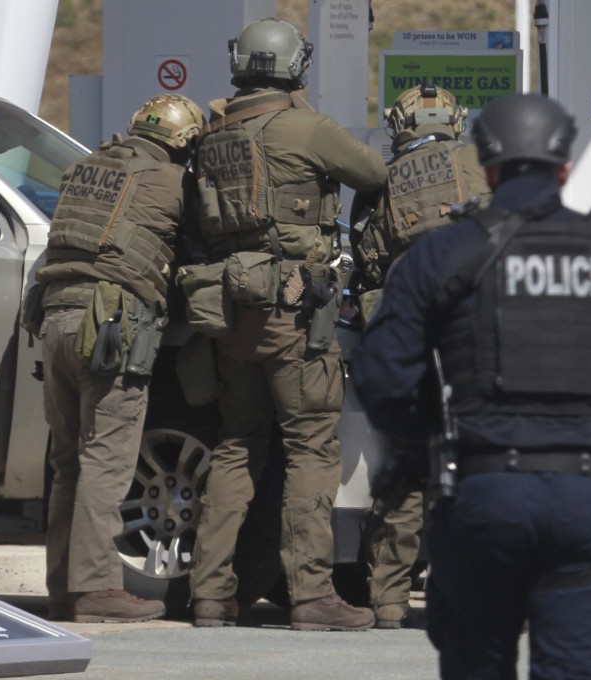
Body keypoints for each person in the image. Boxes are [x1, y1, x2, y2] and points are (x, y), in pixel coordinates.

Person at [351, 93, 591, 677]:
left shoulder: (444, 251)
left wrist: (432, 436)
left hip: (483, 496)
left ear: (486, 169)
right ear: (565, 167)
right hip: (589, 503)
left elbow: (382, 377)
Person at [187, 16, 387, 631]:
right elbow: (374, 175)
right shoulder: (305, 126)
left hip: (229, 310)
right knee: (310, 449)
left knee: (236, 446)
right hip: (295, 310)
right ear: (296, 66)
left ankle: (211, 596)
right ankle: (312, 596)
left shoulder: (213, 132)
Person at [34, 93, 205, 623]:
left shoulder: (83, 169)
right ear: (183, 143)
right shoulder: (174, 182)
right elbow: (198, 249)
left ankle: (64, 585)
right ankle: (98, 590)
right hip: (110, 324)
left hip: (55, 317)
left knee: (67, 463)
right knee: (106, 462)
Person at [348, 83, 490, 629]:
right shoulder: (483, 161)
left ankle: (388, 600)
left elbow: (366, 261)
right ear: (454, 120)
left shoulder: (381, 183)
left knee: (407, 466)